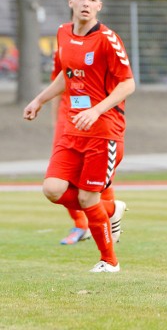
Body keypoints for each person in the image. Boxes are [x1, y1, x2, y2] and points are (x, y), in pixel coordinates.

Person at [23, 0, 133, 272]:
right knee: (52, 189)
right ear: (71, 2)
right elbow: (66, 75)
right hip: (73, 130)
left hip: (104, 132)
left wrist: (96, 110)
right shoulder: (62, 33)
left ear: (99, 6)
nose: (86, 3)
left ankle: (109, 261)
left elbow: (128, 84)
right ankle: (110, 209)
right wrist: (39, 100)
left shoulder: (108, 39)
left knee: (86, 198)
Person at [49, 49, 115, 245]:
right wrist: (56, 122)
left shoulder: (103, 45)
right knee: (60, 179)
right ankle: (81, 224)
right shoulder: (62, 49)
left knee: (97, 174)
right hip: (67, 118)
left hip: (96, 117)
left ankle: (109, 215)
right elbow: (57, 85)